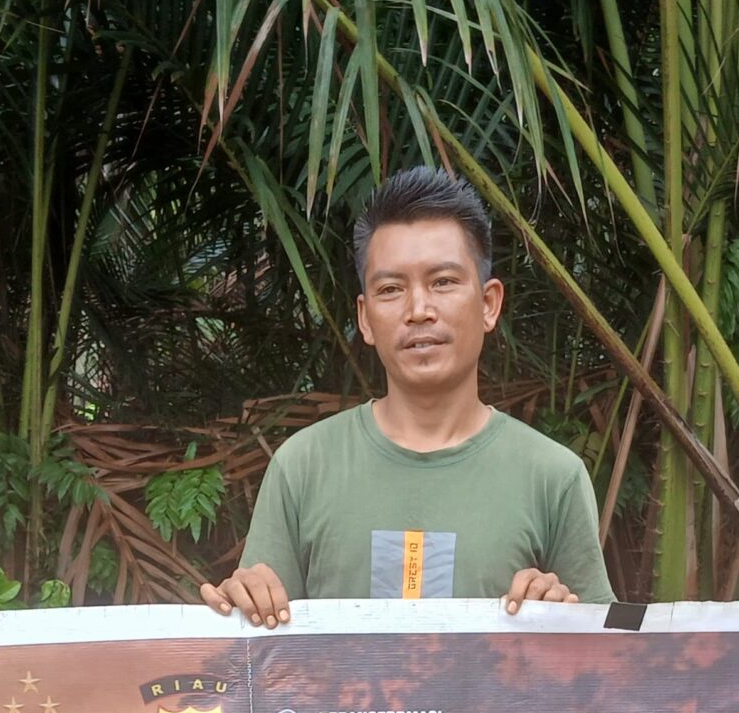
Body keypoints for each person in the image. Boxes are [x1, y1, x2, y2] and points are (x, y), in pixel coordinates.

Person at [205, 168, 613, 622]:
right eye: (391, 289)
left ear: (488, 304)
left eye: (443, 282)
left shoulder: (553, 478)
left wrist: (562, 616)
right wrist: (241, 603)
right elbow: (261, 645)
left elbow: (605, 655)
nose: (419, 310)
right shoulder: (302, 468)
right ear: (365, 318)